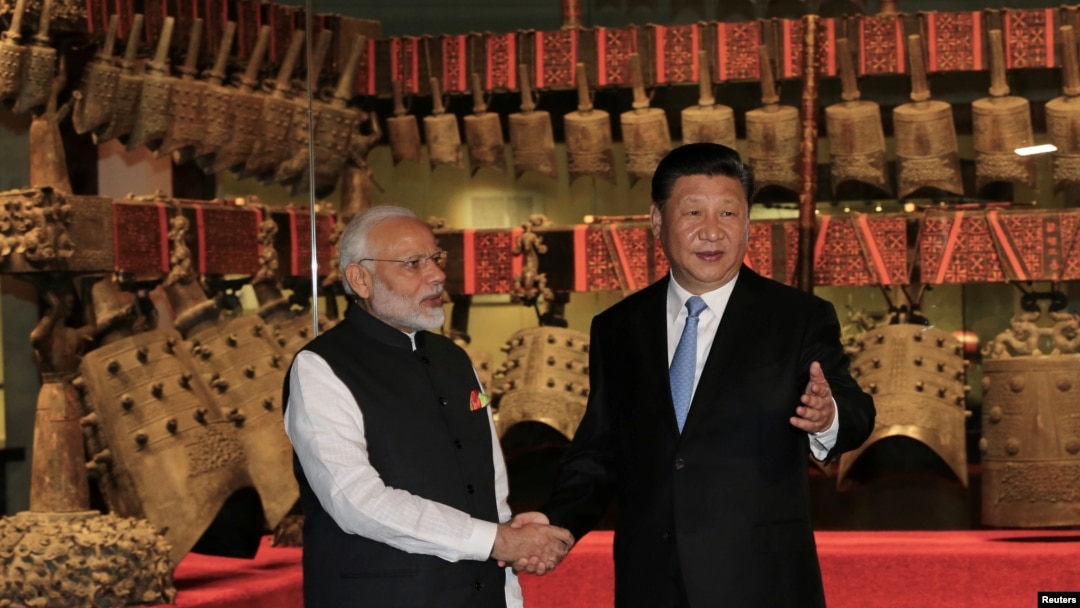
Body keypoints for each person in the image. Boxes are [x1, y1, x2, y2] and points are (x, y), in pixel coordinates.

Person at [513, 143, 876, 607]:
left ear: (747, 224)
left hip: (760, 579)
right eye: (692, 213)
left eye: (728, 213)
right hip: (651, 579)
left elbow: (857, 410)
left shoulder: (797, 317)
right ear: (658, 221)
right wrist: (557, 520)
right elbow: (599, 451)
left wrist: (827, 417)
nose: (712, 231)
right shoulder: (619, 328)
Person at [283, 205, 573, 608]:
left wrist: (508, 583)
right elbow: (355, 499)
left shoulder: (453, 358)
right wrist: (495, 540)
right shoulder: (320, 367)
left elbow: (492, 485)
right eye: (412, 264)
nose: (436, 274)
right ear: (360, 279)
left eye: (436, 258)